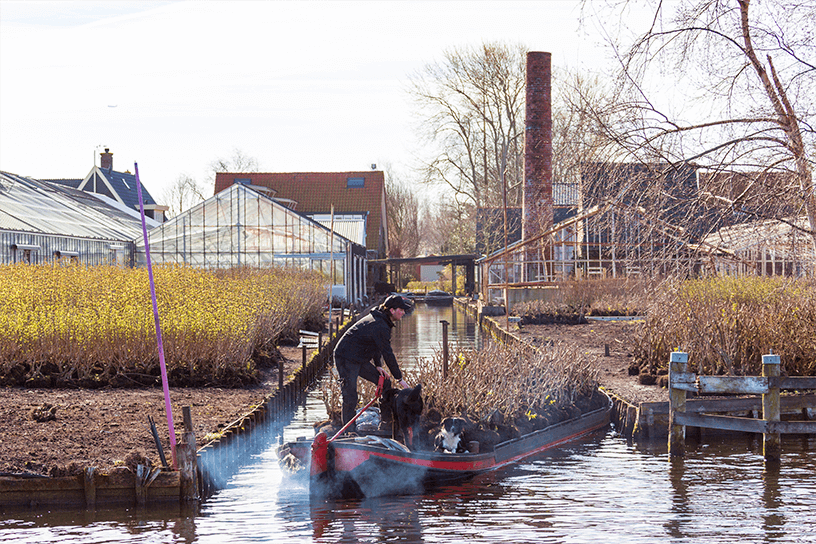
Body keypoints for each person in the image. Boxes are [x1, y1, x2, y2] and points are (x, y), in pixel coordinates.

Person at [333, 294, 412, 431]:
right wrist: (399, 378)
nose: (404, 313)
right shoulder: (379, 324)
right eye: (401, 310)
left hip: (359, 358)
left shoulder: (383, 321)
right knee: (350, 396)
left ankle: (386, 424)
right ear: (392, 310)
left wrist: (378, 365)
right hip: (345, 357)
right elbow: (388, 353)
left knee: (385, 383)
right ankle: (349, 432)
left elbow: (376, 346)